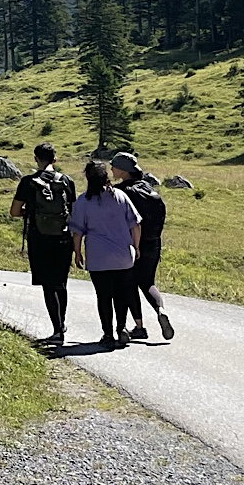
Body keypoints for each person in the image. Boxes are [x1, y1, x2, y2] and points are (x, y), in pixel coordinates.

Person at [69, 158, 141, 350]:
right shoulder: (120, 196)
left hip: (98, 257)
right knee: (122, 294)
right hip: (123, 256)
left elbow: (77, 233)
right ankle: (122, 328)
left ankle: (108, 334)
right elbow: (135, 225)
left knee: (104, 296)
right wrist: (136, 247)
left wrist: (77, 253)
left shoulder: (83, 201)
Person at [9, 143, 77, 347]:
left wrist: (30, 214)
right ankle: (62, 323)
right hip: (63, 238)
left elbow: (14, 211)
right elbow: (74, 212)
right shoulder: (67, 181)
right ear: (55, 159)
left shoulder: (28, 182)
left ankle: (57, 329)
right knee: (61, 283)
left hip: (39, 238)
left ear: (36, 159)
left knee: (48, 284)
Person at [112, 150, 174, 341]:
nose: (112, 170)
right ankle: (160, 309)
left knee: (129, 284)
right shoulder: (147, 187)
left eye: (114, 167)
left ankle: (139, 327)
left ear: (122, 171)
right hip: (153, 242)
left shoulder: (122, 192)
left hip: (133, 244)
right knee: (148, 282)